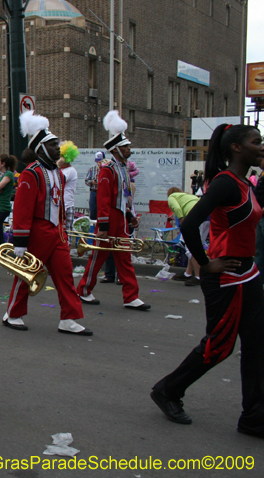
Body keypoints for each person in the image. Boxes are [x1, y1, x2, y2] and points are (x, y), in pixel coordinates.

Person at [151, 123, 264, 438]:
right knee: (219, 346)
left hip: (248, 273)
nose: (262, 146)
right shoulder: (226, 184)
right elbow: (190, 225)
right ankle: (168, 390)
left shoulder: (245, 184)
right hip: (226, 277)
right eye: (257, 142)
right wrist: (204, 263)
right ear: (237, 148)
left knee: (256, 345)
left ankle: (254, 417)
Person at [2, 111, 92, 335]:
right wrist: (20, 241)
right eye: (53, 145)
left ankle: (69, 318)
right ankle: (13, 313)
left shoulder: (59, 174)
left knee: (65, 274)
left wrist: (64, 230)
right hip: (38, 231)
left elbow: (59, 205)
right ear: (41, 148)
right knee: (27, 273)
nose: (57, 149)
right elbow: (23, 209)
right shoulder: (31, 173)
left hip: (57, 232)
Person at [77, 111, 150, 311]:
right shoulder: (108, 170)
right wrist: (104, 224)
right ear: (117, 149)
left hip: (120, 219)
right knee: (98, 257)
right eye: (126, 147)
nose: (129, 149)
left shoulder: (122, 168)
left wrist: (129, 216)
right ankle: (83, 290)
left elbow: (123, 197)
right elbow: (104, 199)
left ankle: (131, 296)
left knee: (125, 258)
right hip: (108, 219)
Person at [167, 187, 203, 286]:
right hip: (205, 218)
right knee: (195, 246)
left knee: (191, 248)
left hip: (193, 218)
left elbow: (177, 209)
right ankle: (188, 273)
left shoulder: (171, 197)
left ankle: (198, 276)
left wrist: (183, 222)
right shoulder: (189, 196)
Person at [57, 141, 79, 235]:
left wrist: (57, 165)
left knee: (66, 235)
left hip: (67, 206)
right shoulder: (61, 170)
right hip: (59, 206)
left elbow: (59, 180)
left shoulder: (70, 170)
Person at [85, 152, 105, 220]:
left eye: (100, 161)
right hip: (94, 191)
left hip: (103, 192)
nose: (99, 163)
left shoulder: (106, 169)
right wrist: (92, 182)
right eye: (97, 161)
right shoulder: (92, 169)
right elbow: (86, 180)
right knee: (93, 208)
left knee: (102, 209)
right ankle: (93, 223)